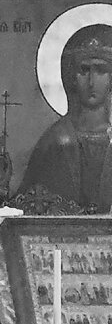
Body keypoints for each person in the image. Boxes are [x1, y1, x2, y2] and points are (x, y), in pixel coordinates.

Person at [14, 25, 112, 214]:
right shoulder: (55, 140)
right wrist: (0, 189)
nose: (91, 81)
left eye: (101, 71)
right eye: (84, 70)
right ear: (71, 77)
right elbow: (25, 204)